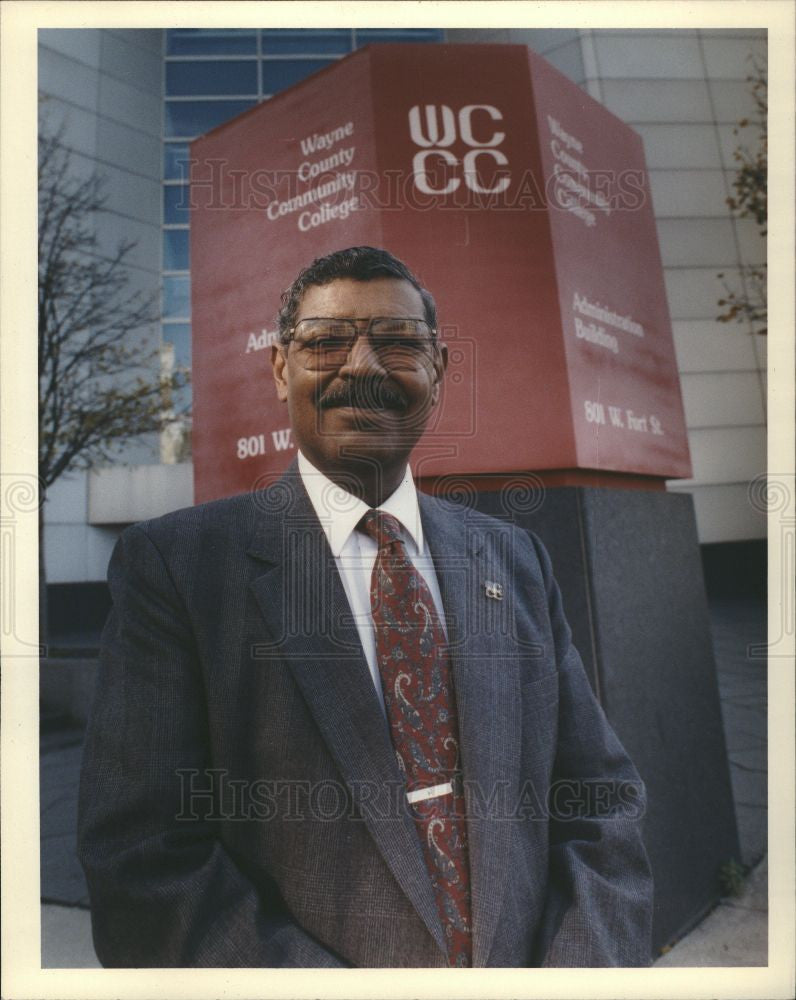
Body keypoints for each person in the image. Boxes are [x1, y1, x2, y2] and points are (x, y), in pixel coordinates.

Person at [78, 246, 653, 968]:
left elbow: (598, 802)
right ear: (280, 369)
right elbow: (144, 865)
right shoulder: (178, 570)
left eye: (397, 343)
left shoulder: (516, 561)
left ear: (438, 371)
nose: (363, 367)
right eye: (324, 342)